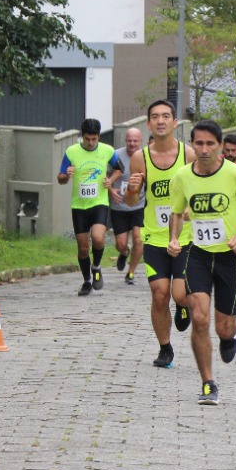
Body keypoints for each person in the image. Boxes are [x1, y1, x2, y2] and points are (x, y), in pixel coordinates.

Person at [167, 119, 236, 405]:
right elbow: (175, 210)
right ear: (192, 145)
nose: (204, 149)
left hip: (228, 258)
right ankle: (208, 383)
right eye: (199, 143)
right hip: (197, 253)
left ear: (221, 146)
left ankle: (228, 337)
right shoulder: (182, 177)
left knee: (224, 326)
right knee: (199, 317)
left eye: (211, 144)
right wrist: (174, 238)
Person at [125, 100, 193, 368]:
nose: (161, 121)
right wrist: (132, 189)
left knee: (179, 294)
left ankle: (184, 306)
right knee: (159, 293)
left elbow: (199, 189)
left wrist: (188, 208)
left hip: (186, 236)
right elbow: (132, 203)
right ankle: (165, 348)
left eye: (166, 116)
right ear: (149, 124)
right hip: (153, 236)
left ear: (175, 123)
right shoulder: (139, 157)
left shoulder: (187, 154)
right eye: (155, 117)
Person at [57, 119, 122, 295]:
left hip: (99, 203)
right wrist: (66, 176)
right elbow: (60, 178)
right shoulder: (71, 152)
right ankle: (86, 281)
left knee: (99, 238)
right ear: (82, 137)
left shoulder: (107, 150)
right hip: (79, 206)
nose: (91, 143)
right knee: (83, 247)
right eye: (87, 139)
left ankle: (97, 266)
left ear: (99, 137)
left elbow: (119, 168)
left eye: (94, 139)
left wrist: (111, 180)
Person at [109, 127, 145, 285]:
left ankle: (131, 272)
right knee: (121, 244)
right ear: (125, 140)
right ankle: (124, 252)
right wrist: (111, 189)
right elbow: (104, 175)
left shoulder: (146, 157)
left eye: (135, 141)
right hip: (120, 207)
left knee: (139, 239)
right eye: (129, 140)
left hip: (140, 205)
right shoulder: (116, 155)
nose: (132, 143)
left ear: (140, 141)